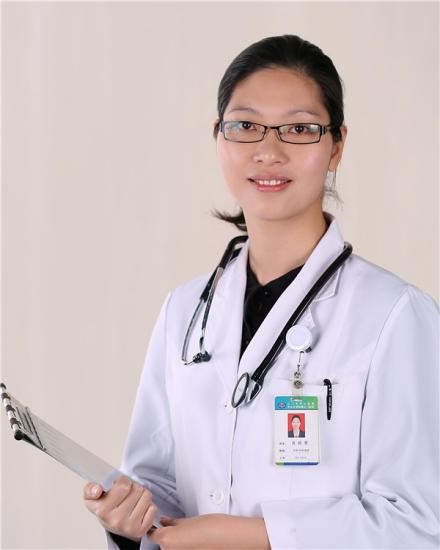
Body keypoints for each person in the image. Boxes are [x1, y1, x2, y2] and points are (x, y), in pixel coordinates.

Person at [83, 35, 439, 549]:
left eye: (299, 129)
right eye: (246, 126)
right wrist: (128, 519)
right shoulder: (185, 312)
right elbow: (158, 483)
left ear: (337, 145)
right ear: (219, 137)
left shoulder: (394, 315)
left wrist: (258, 536)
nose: (269, 151)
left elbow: (417, 525)